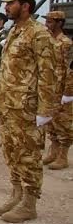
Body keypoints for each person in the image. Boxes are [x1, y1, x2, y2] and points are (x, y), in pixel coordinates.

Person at [0, 0, 57, 223]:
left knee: (28, 154)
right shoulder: (15, 31)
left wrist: (46, 109)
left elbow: (49, 72)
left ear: (26, 6)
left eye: (11, 3)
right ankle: (17, 193)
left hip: (27, 107)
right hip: (9, 104)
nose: (6, 7)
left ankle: (29, 203)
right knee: (11, 151)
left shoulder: (39, 34)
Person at [42, 11, 72, 170]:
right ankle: (53, 152)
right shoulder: (48, 41)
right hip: (49, 87)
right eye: (47, 21)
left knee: (63, 122)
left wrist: (68, 92)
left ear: (60, 23)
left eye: (51, 22)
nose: (47, 24)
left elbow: (70, 69)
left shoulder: (66, 43)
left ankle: (63, 156)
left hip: (61, 88)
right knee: (51, 122)